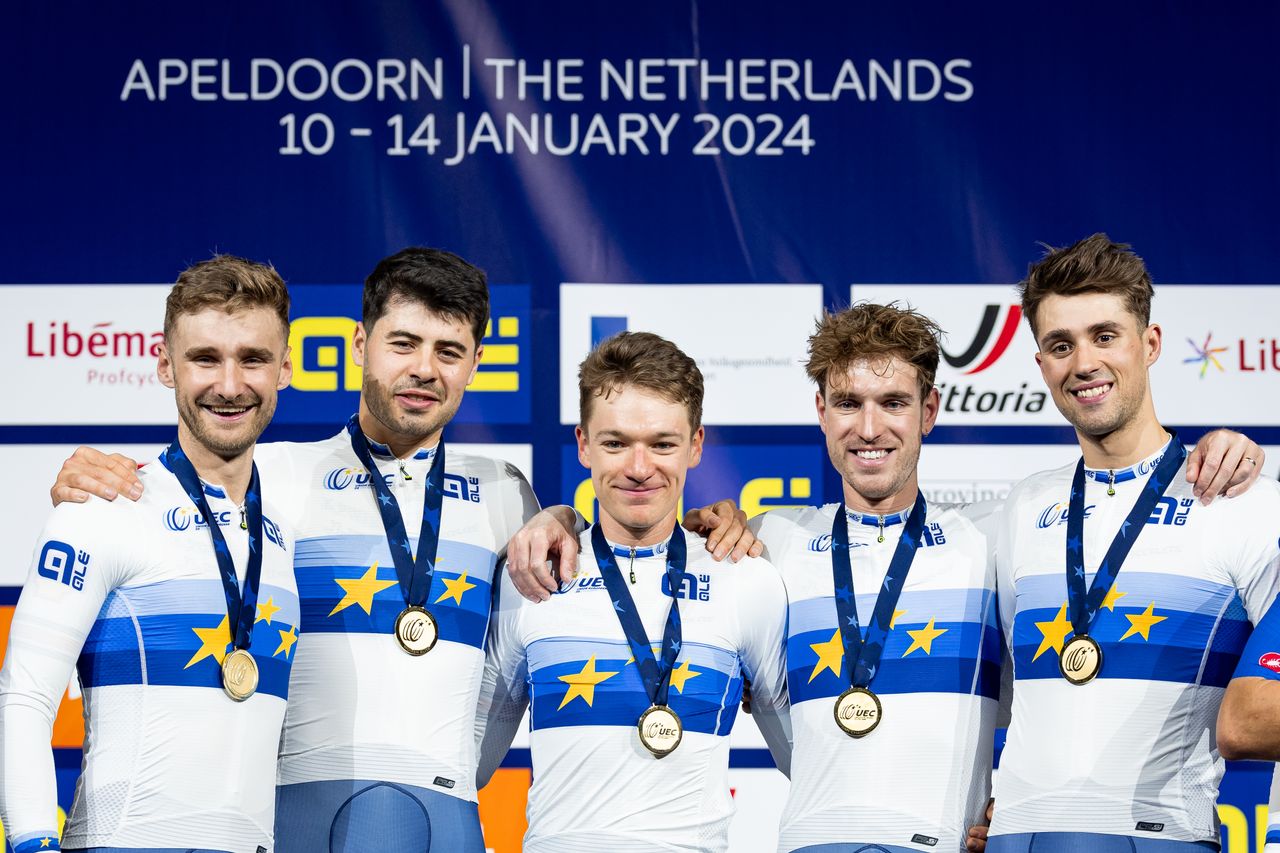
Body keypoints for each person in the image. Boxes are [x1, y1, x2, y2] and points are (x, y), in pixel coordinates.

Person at [47, 248, 752, 852]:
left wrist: (578, 513)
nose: (423, 369)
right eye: (403, 343)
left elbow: (616, 552)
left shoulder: (509, 495)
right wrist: (99, 479)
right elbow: (175, 504)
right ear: (359, 345)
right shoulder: (276, 478)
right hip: (293, 809)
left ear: (476, 362)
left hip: (450, 816)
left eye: (448, 350)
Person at [987, 234, 1280, 853]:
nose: (1083, 363)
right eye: (1060, 345)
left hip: (1159, 836)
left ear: (1150, 344)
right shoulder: (1020, 508)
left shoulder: (1245, 500)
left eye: (1104, 335)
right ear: (1041, 364)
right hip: (1015, 838)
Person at [0, 256, 298, 853]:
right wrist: (33, 845)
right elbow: (25, 696)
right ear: (165, 365)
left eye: (253, 359)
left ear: (285, 369)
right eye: (205, 358)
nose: (231, 384)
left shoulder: (288, 519)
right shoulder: (103, 507)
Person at [475, 331, 791, 852]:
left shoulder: (747, 580)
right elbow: (469, 764)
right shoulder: (531, 576)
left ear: (695, 446)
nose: (639, 468)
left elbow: (810, 761)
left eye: (662, 444)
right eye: (616, 442)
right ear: (583, 445)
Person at [750, 303, 1001, 853]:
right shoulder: (769, 542)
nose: (869, 429)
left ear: (928, 411)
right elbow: (639, 547)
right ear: (821, 411)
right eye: (848, 403)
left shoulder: (991, 540)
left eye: (893, 403)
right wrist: (563, 521)